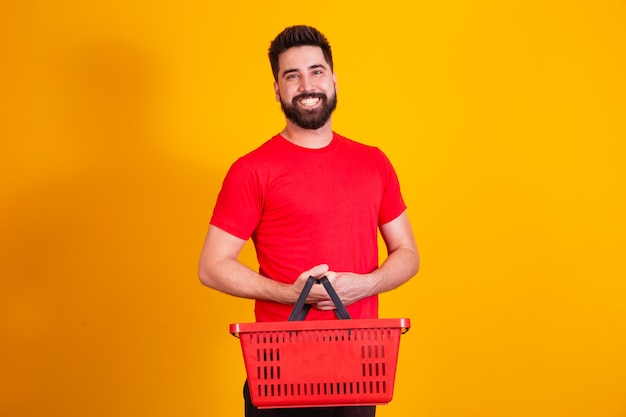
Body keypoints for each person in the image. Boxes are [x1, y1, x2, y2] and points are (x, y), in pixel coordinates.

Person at [198, 25, 420, 417]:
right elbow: (212, 267)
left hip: (361, 368)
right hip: (279, 369)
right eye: (292, 75)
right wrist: (290, 293)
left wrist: (365, 285)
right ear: (277, 90)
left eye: (316, 71)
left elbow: (407, 253)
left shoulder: (374, 162)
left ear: (333, 79)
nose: (306, 85)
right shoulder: (252, 170)